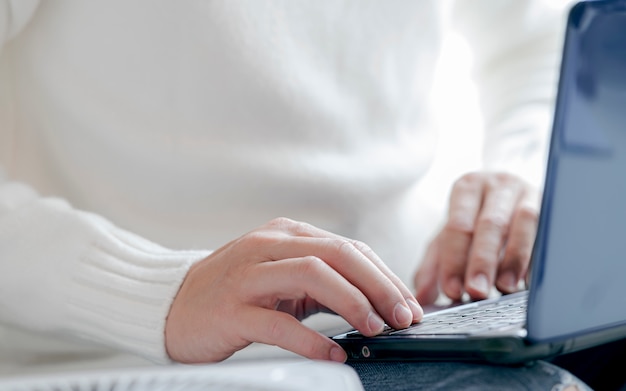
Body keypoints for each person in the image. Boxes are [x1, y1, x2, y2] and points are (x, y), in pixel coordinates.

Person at [0, 0, 596, 389]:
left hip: (415, 322)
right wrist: (153, 289)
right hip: (122, 352)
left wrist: (522, 170)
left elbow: (534, 36)